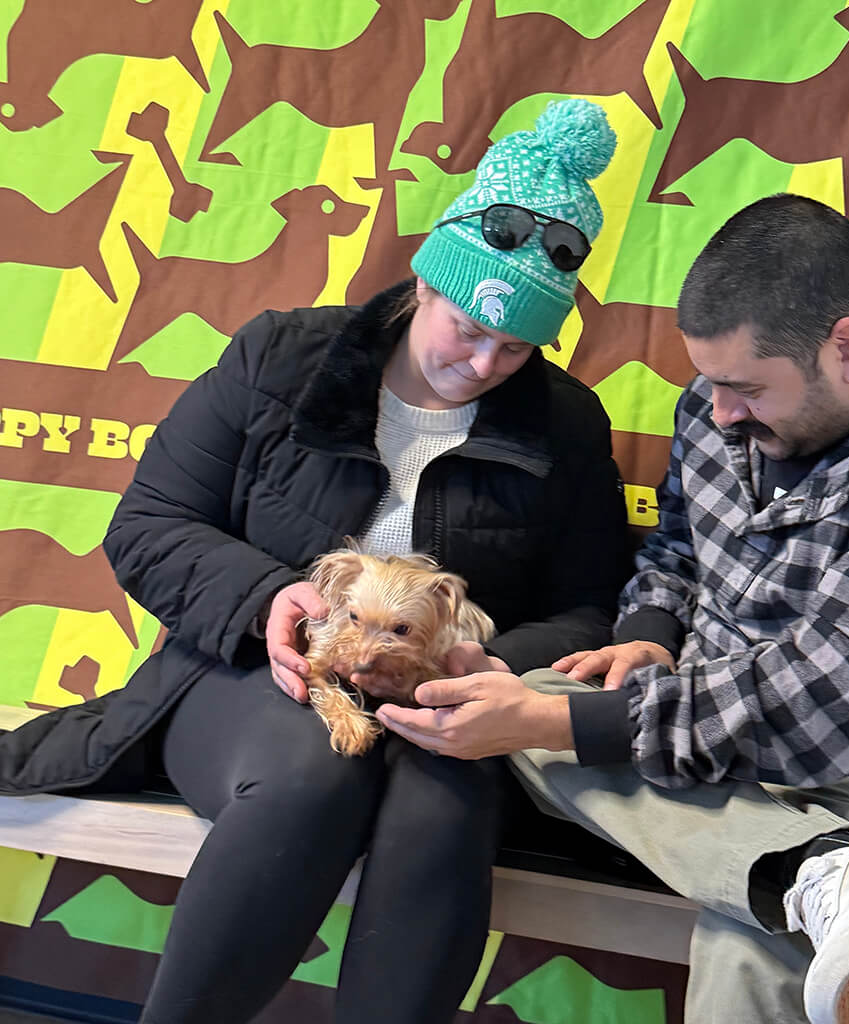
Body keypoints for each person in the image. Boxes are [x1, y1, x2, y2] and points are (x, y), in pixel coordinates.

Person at [0, 99, 629, 1024]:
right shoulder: (279, 358)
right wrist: (266, 597)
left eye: (517, 343)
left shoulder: (566, 423)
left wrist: (492, 662)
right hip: (251, 675)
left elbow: (590, 606)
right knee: (313, 776)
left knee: (441, 815)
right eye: (468, 327)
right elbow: (149, 523)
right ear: (427, 281)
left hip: (441, 706)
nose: (487, 361)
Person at [377, 194, 849, 1024]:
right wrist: (650, 635)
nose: (715, 413)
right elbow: (678, 546)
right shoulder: (733, 388)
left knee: (763, 941)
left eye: (742, 388)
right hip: (727, 741)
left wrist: (554, 723)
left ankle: (819, 878)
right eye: (708, 381)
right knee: (513, 701)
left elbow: (815, 711)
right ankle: (816, 870)